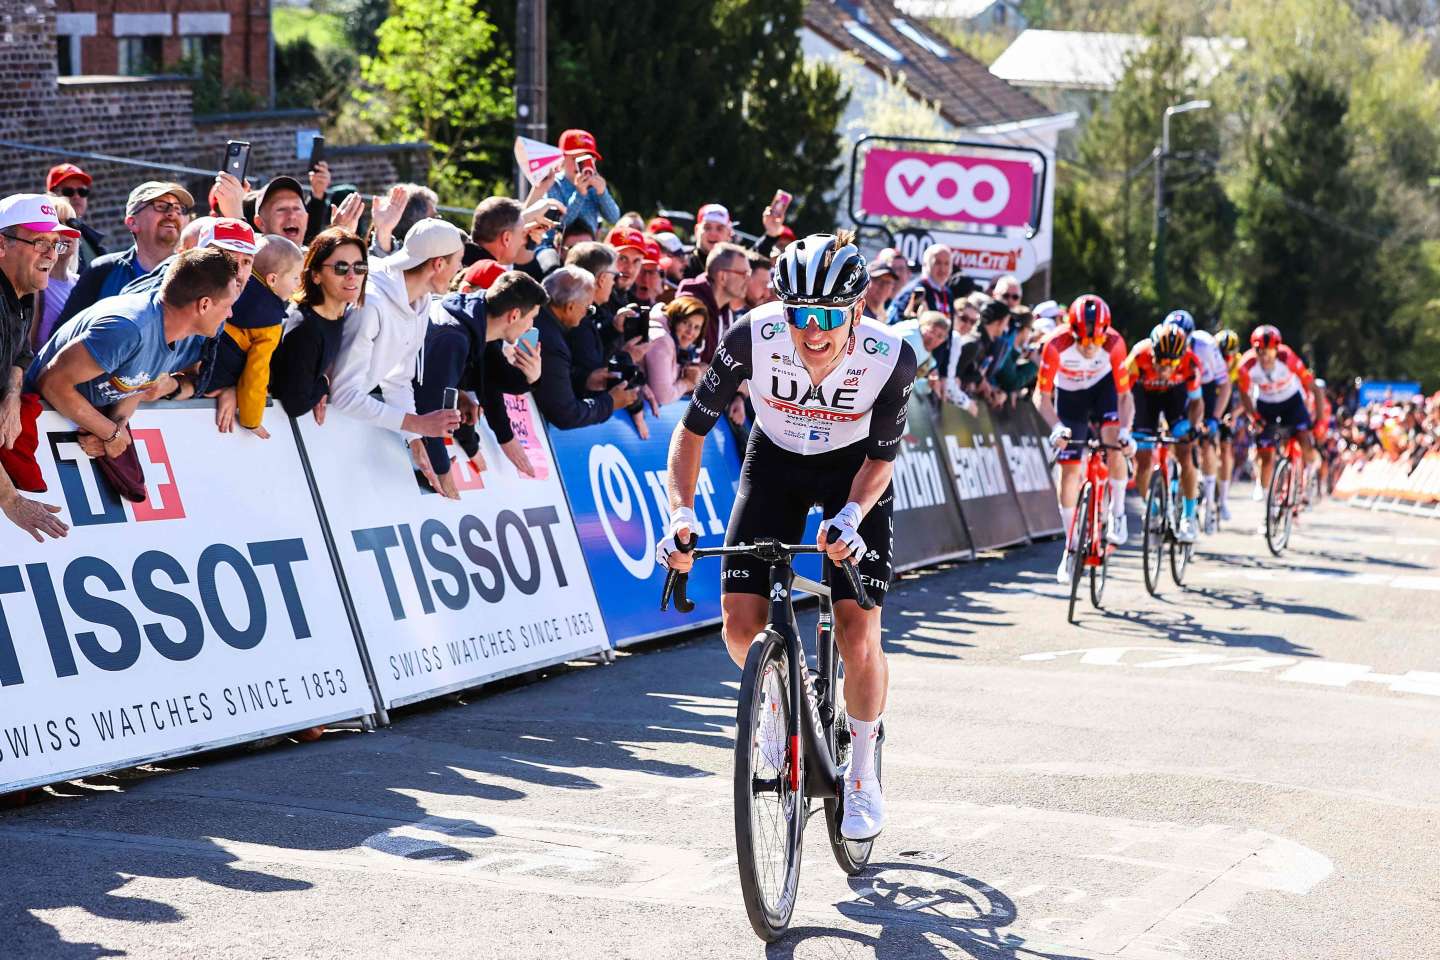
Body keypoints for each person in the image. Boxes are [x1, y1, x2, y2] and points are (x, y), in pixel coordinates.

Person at [657, 231, 917, 842]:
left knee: (859, 633)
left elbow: (882, 461)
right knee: (740, 626)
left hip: (853, 472)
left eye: (830, 315)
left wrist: (851, 518)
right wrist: (680, 513)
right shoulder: (753, 334)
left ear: (857, 308)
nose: (814, 331)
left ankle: (861, 765)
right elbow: (690, 432)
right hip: (774, 461)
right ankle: (780, 700)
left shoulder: (890, 356)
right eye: (802, 315)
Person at [27, 248, 239, 503]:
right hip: (30, 430)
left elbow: (138, 380)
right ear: (204, 305)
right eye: (227, 306)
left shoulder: (181, 330)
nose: (230, 315)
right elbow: (51, 383)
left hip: (72, 426)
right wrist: (110, 433)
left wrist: (112, 427)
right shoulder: (128, 328)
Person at [327, 218, 464, 461]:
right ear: (439, 264)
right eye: (458, 261)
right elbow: (343, 394)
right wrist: (418, 424)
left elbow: (398, 379)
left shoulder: (420, 301)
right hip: (309, 420)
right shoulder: (370, 303)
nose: (460, 269)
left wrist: (414, 439)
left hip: (335, 423)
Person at [414, 271, 549, 496]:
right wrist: (444, 473)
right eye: (531, 317)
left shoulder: (471, 317)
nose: (531, 326)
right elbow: (430, 409)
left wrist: (532, 377)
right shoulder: (455, 336)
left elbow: (490, 379)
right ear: (514, 315)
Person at [1035, 295, 1134, 583]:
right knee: (1068, 472)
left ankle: (1117, 513)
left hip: (1102, 389)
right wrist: (1056, 428)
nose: (1090, 347)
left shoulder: (1114, 344)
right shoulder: (1055, 344)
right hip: (1070, 396)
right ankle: (1071, 545)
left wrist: (1125, 432)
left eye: (1096, 341)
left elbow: (1125, 396)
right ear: (1072, 331)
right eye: (1084, 341)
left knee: (1113, 442)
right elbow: (1041, 396)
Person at [0, 194, 77, 542]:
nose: (51, 253)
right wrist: (11, 500)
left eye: (55, 243)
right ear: (2, 244)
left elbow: (23, 352)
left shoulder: (23, 290)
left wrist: (12, 396)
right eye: (39, 242)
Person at [205, 234, 304, 438]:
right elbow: (256, 373)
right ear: (273, 279)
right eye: (295, 277)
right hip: (215, 380)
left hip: (192, 366)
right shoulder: (270, 325)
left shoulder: (229, 290)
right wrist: (251, 420)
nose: (297, 285)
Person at [57, 181, 194, 325]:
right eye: (160, 206)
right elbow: (64, 333)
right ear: (132, 222)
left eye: (179, 209)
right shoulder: (103, 271)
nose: (172, 213)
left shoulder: (193, 274)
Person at [269, 228, 367, 422]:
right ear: (315, 275)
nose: (352, 275)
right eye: (340, 268)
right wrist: (323, 383)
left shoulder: (341, 315)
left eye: (360, 267)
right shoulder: (305, 330)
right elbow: (295, 404)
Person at [1124, 321, 1204, 542]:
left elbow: (1197, 403)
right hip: (1144, 399)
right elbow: (1123, 395)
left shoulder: (1190, 362)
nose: (1166, 368)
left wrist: (1194, 428)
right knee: (1143, 463)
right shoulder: (1137, 357)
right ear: (1153, 352)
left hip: (1174, 400)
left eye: (1172, 362)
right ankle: (1153, 508)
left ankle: (1188, 516)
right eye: (1162, 361)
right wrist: (1125, 427)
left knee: (1185, 453)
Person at [533, 266, 637, 429]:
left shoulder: (541, 321)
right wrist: (610, 403)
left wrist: (584, 380)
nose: (588, 314)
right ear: (571, 307)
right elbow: (566, 414)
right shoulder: (551, 341)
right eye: (588, 308)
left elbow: (548, 381)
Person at [1235, 325, 1322, 505]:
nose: (1265, 356)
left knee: (1305, 439)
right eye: (1260, 351)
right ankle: (1266, 494)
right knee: (1266, 455)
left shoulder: (1287, 357)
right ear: (1254, 350)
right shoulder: (1246, 365)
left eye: (1269, 352)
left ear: (1277, 350)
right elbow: (1244, 394)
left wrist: (1320, 419)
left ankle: (1310, 471)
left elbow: (1315, 388)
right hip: (1266, 404)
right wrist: (1254, 417)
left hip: (1291, 401)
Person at [1164, 309, 1232, 532]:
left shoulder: (1205, 346)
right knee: (1176, 438)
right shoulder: (1164, 344)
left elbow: (1225, 386)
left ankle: (1211, 501)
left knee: (1207, 441)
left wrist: (1215, 417)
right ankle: (1175, 490)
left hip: (1205, 387)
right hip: (1179, 385)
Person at [677, 242, 749, 364]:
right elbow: (688, 370)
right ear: (722, 277)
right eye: (743, 274)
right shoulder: (691, 307)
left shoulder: (725, 311)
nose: (748, 279)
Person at [546, 129, 621, 234]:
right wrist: (580, 194)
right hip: (557, 246)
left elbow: (614, 218)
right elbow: (560, 224)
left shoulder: (594, 185)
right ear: (562, 158)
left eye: (586, 160)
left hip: (589, 245)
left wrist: (602, 193)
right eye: (575, 159)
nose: (580, 166)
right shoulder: (553, 183)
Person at [31, 195, 80, 349]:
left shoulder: (81, 283)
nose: (68, 230)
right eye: (58, 223)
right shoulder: (35, 287)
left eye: (72, 223)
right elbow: (26, 350)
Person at [642, 295, 708, 406]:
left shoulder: (673, 342)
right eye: (686, 323)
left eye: (697, 327)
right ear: (674, 320)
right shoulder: (662, 342)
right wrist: (687, 382)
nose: (690, 332)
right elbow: (663, 397)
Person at [46, 163, 105, 271]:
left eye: (82, 191)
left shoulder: (90, 238)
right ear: (52, 195)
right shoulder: (46, 238)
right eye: (68, 191)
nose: (77, 196)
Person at [1213, 328, 1243, 520]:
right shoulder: (1208, 357)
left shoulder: (1239, 364)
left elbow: (1249, 394)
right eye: (1222, 356)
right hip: (1207, 401)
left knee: (1225, 450)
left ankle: (1223, 500)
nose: (1226, 360)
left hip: (1227, 406)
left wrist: (1234, 414)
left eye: (1229, 356)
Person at [887, 243, 953, 324]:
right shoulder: (915, 290)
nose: (942, 269)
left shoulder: (948, 292)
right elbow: (896, 323)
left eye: (947, 263)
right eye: (937, 263)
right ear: (925, 264)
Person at [683, 203, 735, 279]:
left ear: (729, 233)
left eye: (720, 228)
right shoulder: (683, 264)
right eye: (707, 227)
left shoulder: (737, 267)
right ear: (696, 230)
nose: (713, 233)